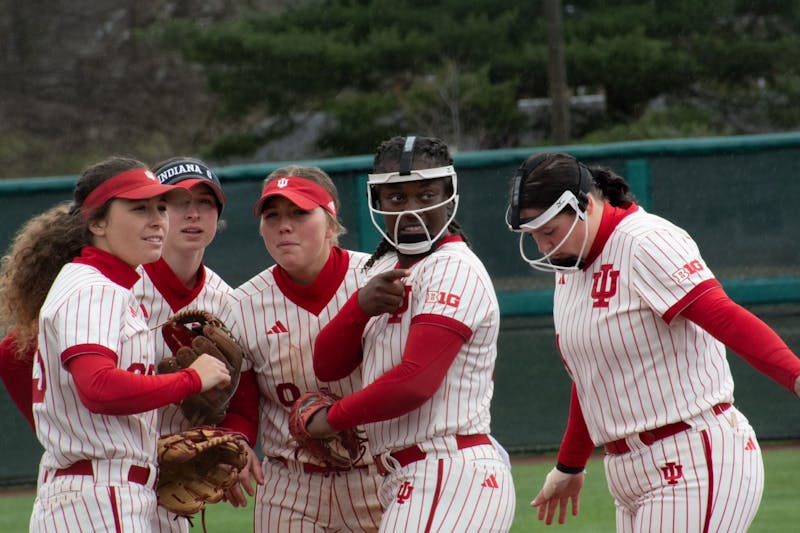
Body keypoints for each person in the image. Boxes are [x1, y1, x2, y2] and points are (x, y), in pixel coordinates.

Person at [504, 151, 800, 532]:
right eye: (534, 235)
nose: (543, 246)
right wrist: (570, 464)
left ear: (585, 205)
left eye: (549, 231)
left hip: (692, 454)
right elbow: (593, 376)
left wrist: (794, 374)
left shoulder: (645, 241)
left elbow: (724, 317)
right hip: (627, 472)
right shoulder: (571, 267)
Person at [309, 135, 516, 532]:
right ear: (378, 201)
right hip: (414, 475)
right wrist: (357, 309)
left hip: (448, 471)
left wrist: (332, 419)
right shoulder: (381, 265)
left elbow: (415, 382)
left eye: (426, 194)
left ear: (449, 193)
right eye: (396, 198)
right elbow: (328, 364)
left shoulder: (453, 266)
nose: (412, 208)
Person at [28, 156, 231, 532]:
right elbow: (99, 387)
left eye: (160, 207)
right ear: (98, 222)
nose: (158, 220)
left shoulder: (110, 285)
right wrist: (190, 379)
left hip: (103, 492)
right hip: (99, 495)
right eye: (139, 209)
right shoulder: (93, 288)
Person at [219, 165, 384, 532]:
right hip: (290, 485)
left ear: (330, 222)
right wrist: (238, 442)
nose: (284, 225)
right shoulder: (240, 305)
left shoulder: (376, 279)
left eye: (299, 212)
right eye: (272, 215)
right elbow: (243, 409)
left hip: (378, 475)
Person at [141, 156, 235, 532]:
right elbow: (14, 353)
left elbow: (238, 399)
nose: (193, 214)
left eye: (205, 203)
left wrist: (229, 441)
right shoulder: (120, 286)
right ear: (156, 212)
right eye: (180, 202)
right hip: (111, 470)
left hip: (178, 479)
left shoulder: (226, 301)